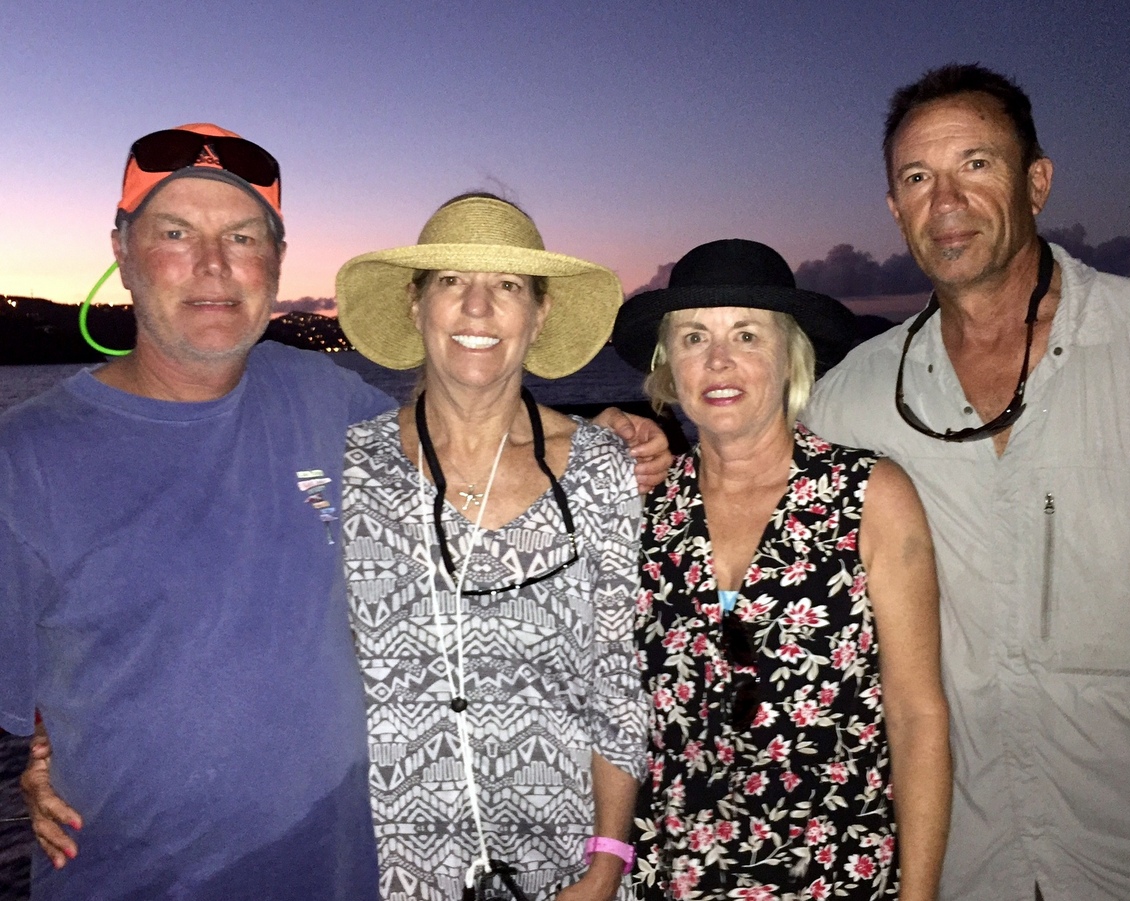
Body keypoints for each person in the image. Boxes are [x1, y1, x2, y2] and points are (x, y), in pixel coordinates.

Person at [3, 128, 671, 898]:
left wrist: (612, 432)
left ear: (277, 263)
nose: (214, 264)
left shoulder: (325, 402)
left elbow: (468, 412)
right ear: (121, 250)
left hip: (349, 868)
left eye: (242, 236)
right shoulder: (24, 460)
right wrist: (45, 746)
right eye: (177, 233)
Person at [801, 63, 1130, 901]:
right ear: (894, 209)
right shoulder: (852, 398)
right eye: (918, 178)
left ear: (1038, 182)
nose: (945, 201)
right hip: (964, 864)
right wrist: (639, 441)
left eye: (976, 165)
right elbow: (742, 488)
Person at [611, 239, 951, 900]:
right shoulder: (642, 511)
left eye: (746, 333)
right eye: (692, 337)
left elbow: (918, 717)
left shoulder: (871, 496)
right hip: (674, 875)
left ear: (790, 354)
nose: (718, 360)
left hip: (833, 874)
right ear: (667, 365)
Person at [334, 193, 647, 901]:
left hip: (569, 867)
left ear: (539, 315)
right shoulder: (350, 466)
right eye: (451, 282)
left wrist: (606, 864)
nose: (477, 308)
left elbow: (619, 685)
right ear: (417, 306)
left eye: (506, 286)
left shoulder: (600, 467)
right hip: (391, 871)